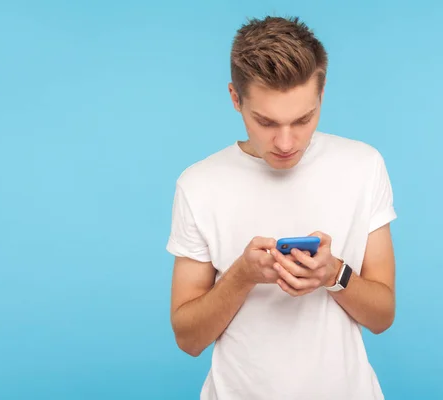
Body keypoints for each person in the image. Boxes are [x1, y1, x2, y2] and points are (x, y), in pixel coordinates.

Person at [166, 15, 397, 400]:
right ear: (235, 98)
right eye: (266, 122)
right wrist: (242, 276)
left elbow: (383, 316)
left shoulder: (363, 166)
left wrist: (333, 274)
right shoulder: (199, 185)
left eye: (303, 119)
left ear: (321, 96)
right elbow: (188, 339)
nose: (287, 142)